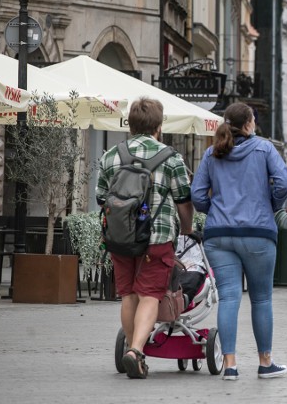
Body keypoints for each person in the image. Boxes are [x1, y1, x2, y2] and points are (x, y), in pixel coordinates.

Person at [192, 102, 287, 380]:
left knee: (229, 298)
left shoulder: (213, 153)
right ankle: (265, 362)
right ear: (249, 124)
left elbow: (197, 195)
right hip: (258, 233)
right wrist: (268, 204)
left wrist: (215, 210)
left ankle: (230, 365)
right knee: (261, 299)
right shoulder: (264, 148)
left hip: (219, 235)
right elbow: (284, 184)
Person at [97, 98, 194, 379]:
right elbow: (183, 201)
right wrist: (186, 228)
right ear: (159, 126)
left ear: (130, 125)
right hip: (158, 236)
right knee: (149, 295)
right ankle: (136, 351)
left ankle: (132, 347)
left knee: (128, 295)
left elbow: (101, 198)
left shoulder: (111, 155)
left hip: (120, 237)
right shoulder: (171, 157)